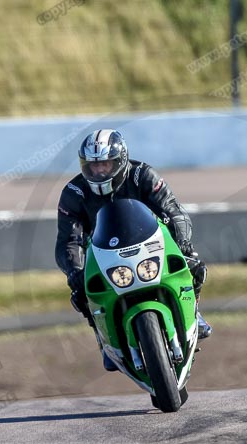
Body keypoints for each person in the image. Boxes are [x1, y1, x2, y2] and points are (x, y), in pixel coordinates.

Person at [55, 129, 212, 371]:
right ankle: (104, 339)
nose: (98, 172)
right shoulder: (73, 193)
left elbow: (174, 211)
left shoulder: (143, 175)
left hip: (149, 245)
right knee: (80, 291)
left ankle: (194, 312)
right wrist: (74, 269)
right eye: (92, 166)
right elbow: (68, 240)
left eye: (105, 164)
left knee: (193, 264)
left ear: (120, 160)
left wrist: (182, 242)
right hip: (103, 254)